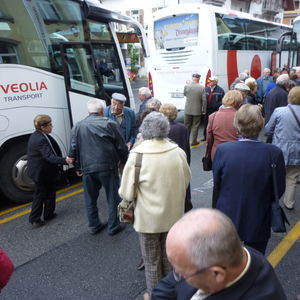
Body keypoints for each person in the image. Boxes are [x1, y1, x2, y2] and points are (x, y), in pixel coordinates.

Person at [119, 112, 191, 300]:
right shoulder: (177, 151)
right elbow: (186, 180)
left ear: (144, 130)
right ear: (165, 129)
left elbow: (126, 193)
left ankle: (155, 295)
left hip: (147, 220)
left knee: (151, 261)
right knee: (169, 258)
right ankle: (170, 293)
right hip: (173, 216)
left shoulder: (137, 155)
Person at [152, 209, 287, 300]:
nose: (177, 276)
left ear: (217, 274)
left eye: (181, 273)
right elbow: (164, 290)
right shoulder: (217, 257)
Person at [213, 104, 286, 254]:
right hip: (259, 211)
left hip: (228, 211)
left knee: (228, 257)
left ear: (237, 124)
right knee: (256, 259)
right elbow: (279, 188)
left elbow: (218, 183)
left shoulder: (223, 150)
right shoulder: (274, 152)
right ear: (260, 125)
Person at [69, 99, 128, 235]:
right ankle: (114, 226)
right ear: (101, 111)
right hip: (107, 166)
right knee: (112, 197)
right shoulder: (109, 124)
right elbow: (121, 146)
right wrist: (124, 161)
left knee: (90, 198)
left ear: (89, 111)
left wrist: (77, 167)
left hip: (87, 168)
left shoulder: (78, 126)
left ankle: (94, 225)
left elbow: (73, 148)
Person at [27, 115, 72, 227]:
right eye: (50, 125)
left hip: (44, 171)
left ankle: (49, 213)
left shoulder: (39, 135)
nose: (52, 126)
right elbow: (49, 157)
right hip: (40, 173)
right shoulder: (40, 139)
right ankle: (35, 218)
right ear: (43, 127)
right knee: (40, 194)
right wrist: (65, 160)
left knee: (50, 191)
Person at [265, 86, 300, 210]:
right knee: (292, 177)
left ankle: (270, 197)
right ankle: (289, 202)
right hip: (298, 151)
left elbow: (268, 130)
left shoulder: (279, 111)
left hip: (279, 149)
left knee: (274, 174)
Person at [159, 103, 192, 212]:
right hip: (180, 161)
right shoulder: (182, 128)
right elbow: (187, 147)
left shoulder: (159, 129)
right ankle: (185, 205)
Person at [206, 90, 243, 161]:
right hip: (236, 153)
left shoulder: (213, 116)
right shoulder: (241, 116)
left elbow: (209, 139)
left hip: (217, 152)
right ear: (239, 102)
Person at [184, 73, 207, 146]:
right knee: (195, 126)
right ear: (198, 79)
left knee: (187, 126)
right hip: (197, 109)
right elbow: (204, 100)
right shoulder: (201, 87)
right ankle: (193, 141)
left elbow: (185, 94)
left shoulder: (186, 86)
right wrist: (204, 110)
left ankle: (186, 141)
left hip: (187, 109)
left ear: (192, 78)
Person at [203, 76, 225, 140]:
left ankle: (214, 136)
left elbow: (223, 101)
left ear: (215, 82)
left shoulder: (220, 90)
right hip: (207, 109)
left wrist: (216, 105)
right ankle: (205, 136)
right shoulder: (206, 89)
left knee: (214, 124)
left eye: (211, 81)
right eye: (209, 81)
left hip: (215, 110)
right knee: (206, 123)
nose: (209, 82)